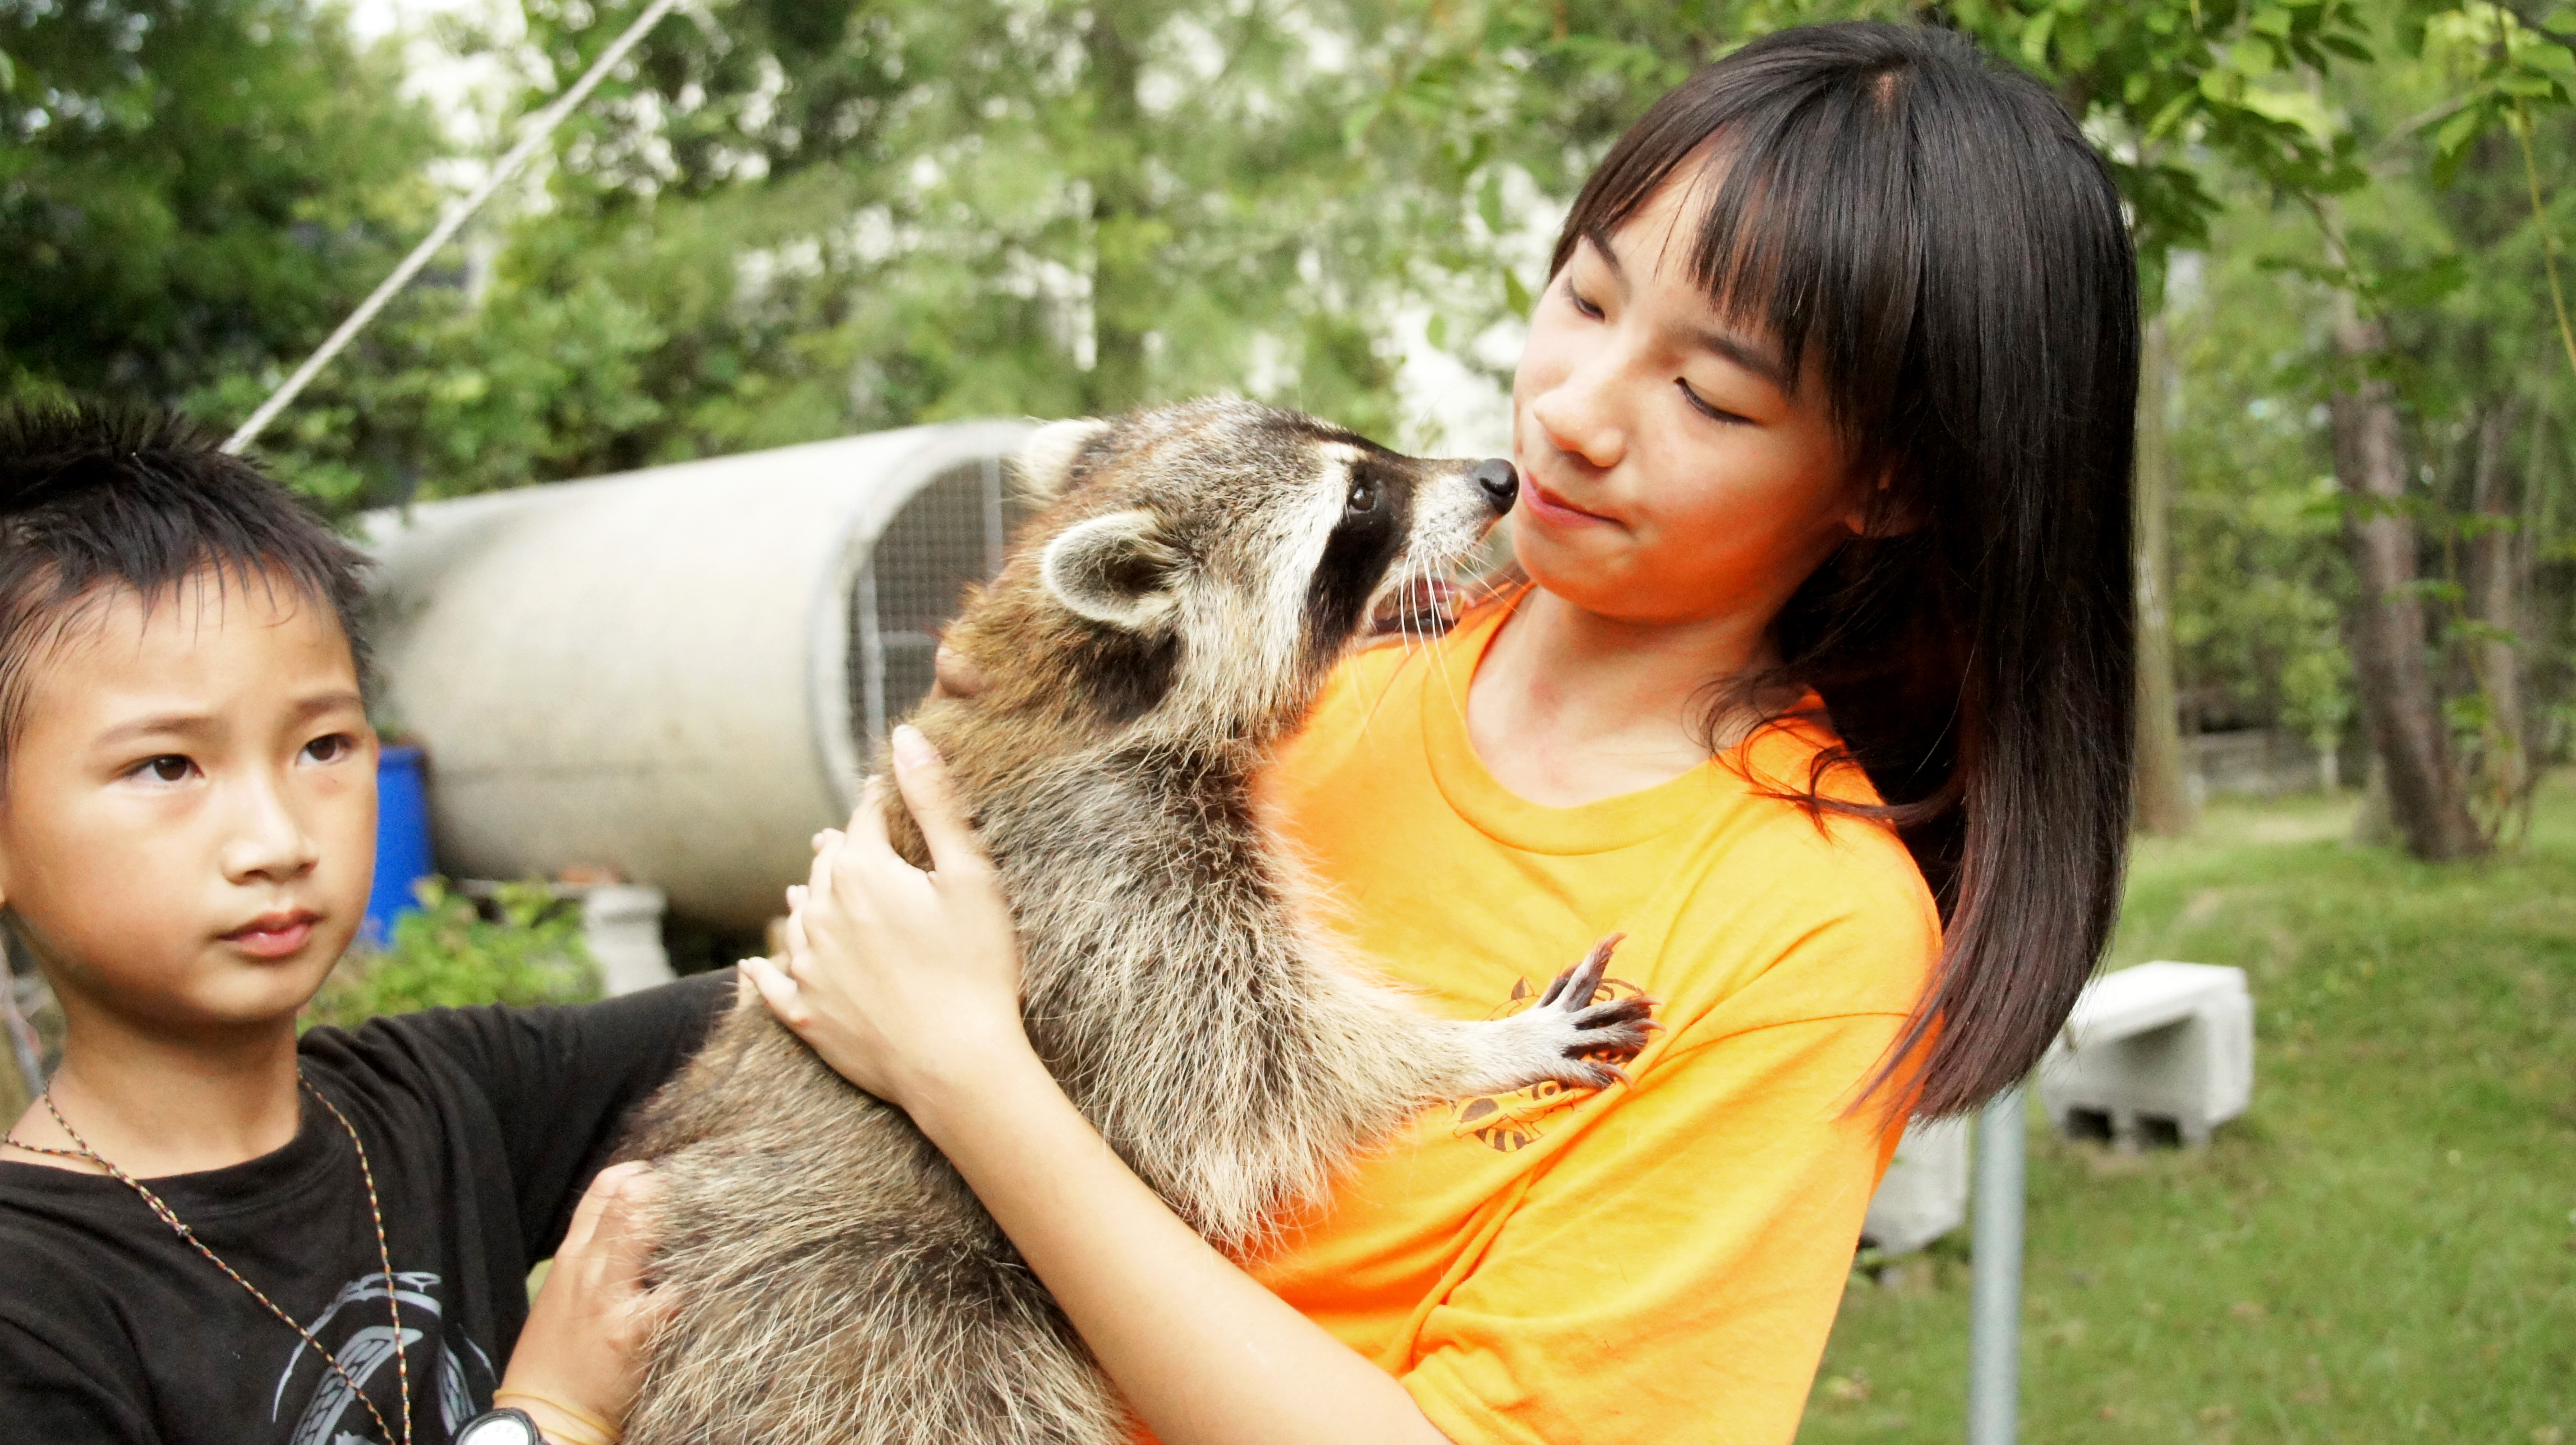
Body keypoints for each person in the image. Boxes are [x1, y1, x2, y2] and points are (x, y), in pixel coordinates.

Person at [749, 20, 2137, 1445]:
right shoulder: (1303, 689)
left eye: (1709, 393)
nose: (1570, 415)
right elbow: (851, 1000)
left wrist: (967, 1076)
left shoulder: (1804, 931)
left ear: (1889, 484)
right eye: (1585, 298)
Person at [0, 406, 719, 1444]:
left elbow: (812, 989)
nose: (277, 838)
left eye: (323, 747)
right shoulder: (31, 1307)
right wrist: (550, 1416)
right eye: (167, 766)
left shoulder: (440, 1103)